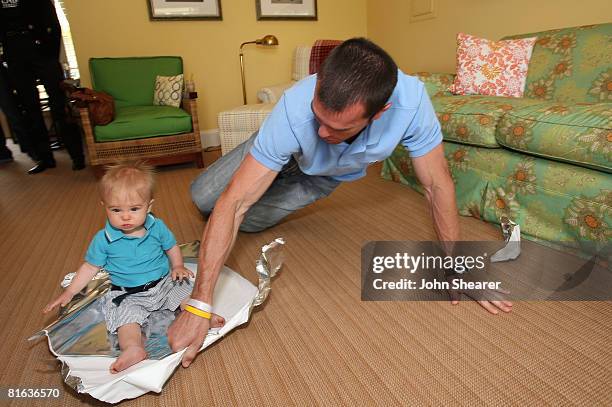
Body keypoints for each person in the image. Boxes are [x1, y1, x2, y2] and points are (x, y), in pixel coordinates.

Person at [168, 38, 512, 367]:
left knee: (251, 222)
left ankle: (274, 175)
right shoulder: (294, 107)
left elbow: (438, 186)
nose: (322, 133)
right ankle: (266, 157)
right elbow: (234, 201)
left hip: (321, 176)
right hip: (282, 143)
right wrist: (199, 304)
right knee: (205, 198)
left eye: (337, 128)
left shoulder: (411, 104)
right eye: (318, 118)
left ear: (380, 113)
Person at [43, 162, 225, 373]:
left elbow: (171, 246)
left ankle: (202, 316)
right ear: (104, 206)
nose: (126, 216)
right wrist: (70, 291)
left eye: (134, 209)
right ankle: (133, 349)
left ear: (149, 206)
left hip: (163, 283)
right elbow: (90, 266)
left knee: (185, 292)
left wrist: (177, 266)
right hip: (128, 294)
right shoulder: (103, 240)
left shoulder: (157, 227)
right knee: (125, 320)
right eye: (116, 209)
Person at [0, 0, 85, 174]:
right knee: (30, 110)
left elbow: (54, 25)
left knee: (60, 107)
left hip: (42, 52)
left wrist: (49, 56)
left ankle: (77, 156)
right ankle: (45, 158)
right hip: (15, 54)